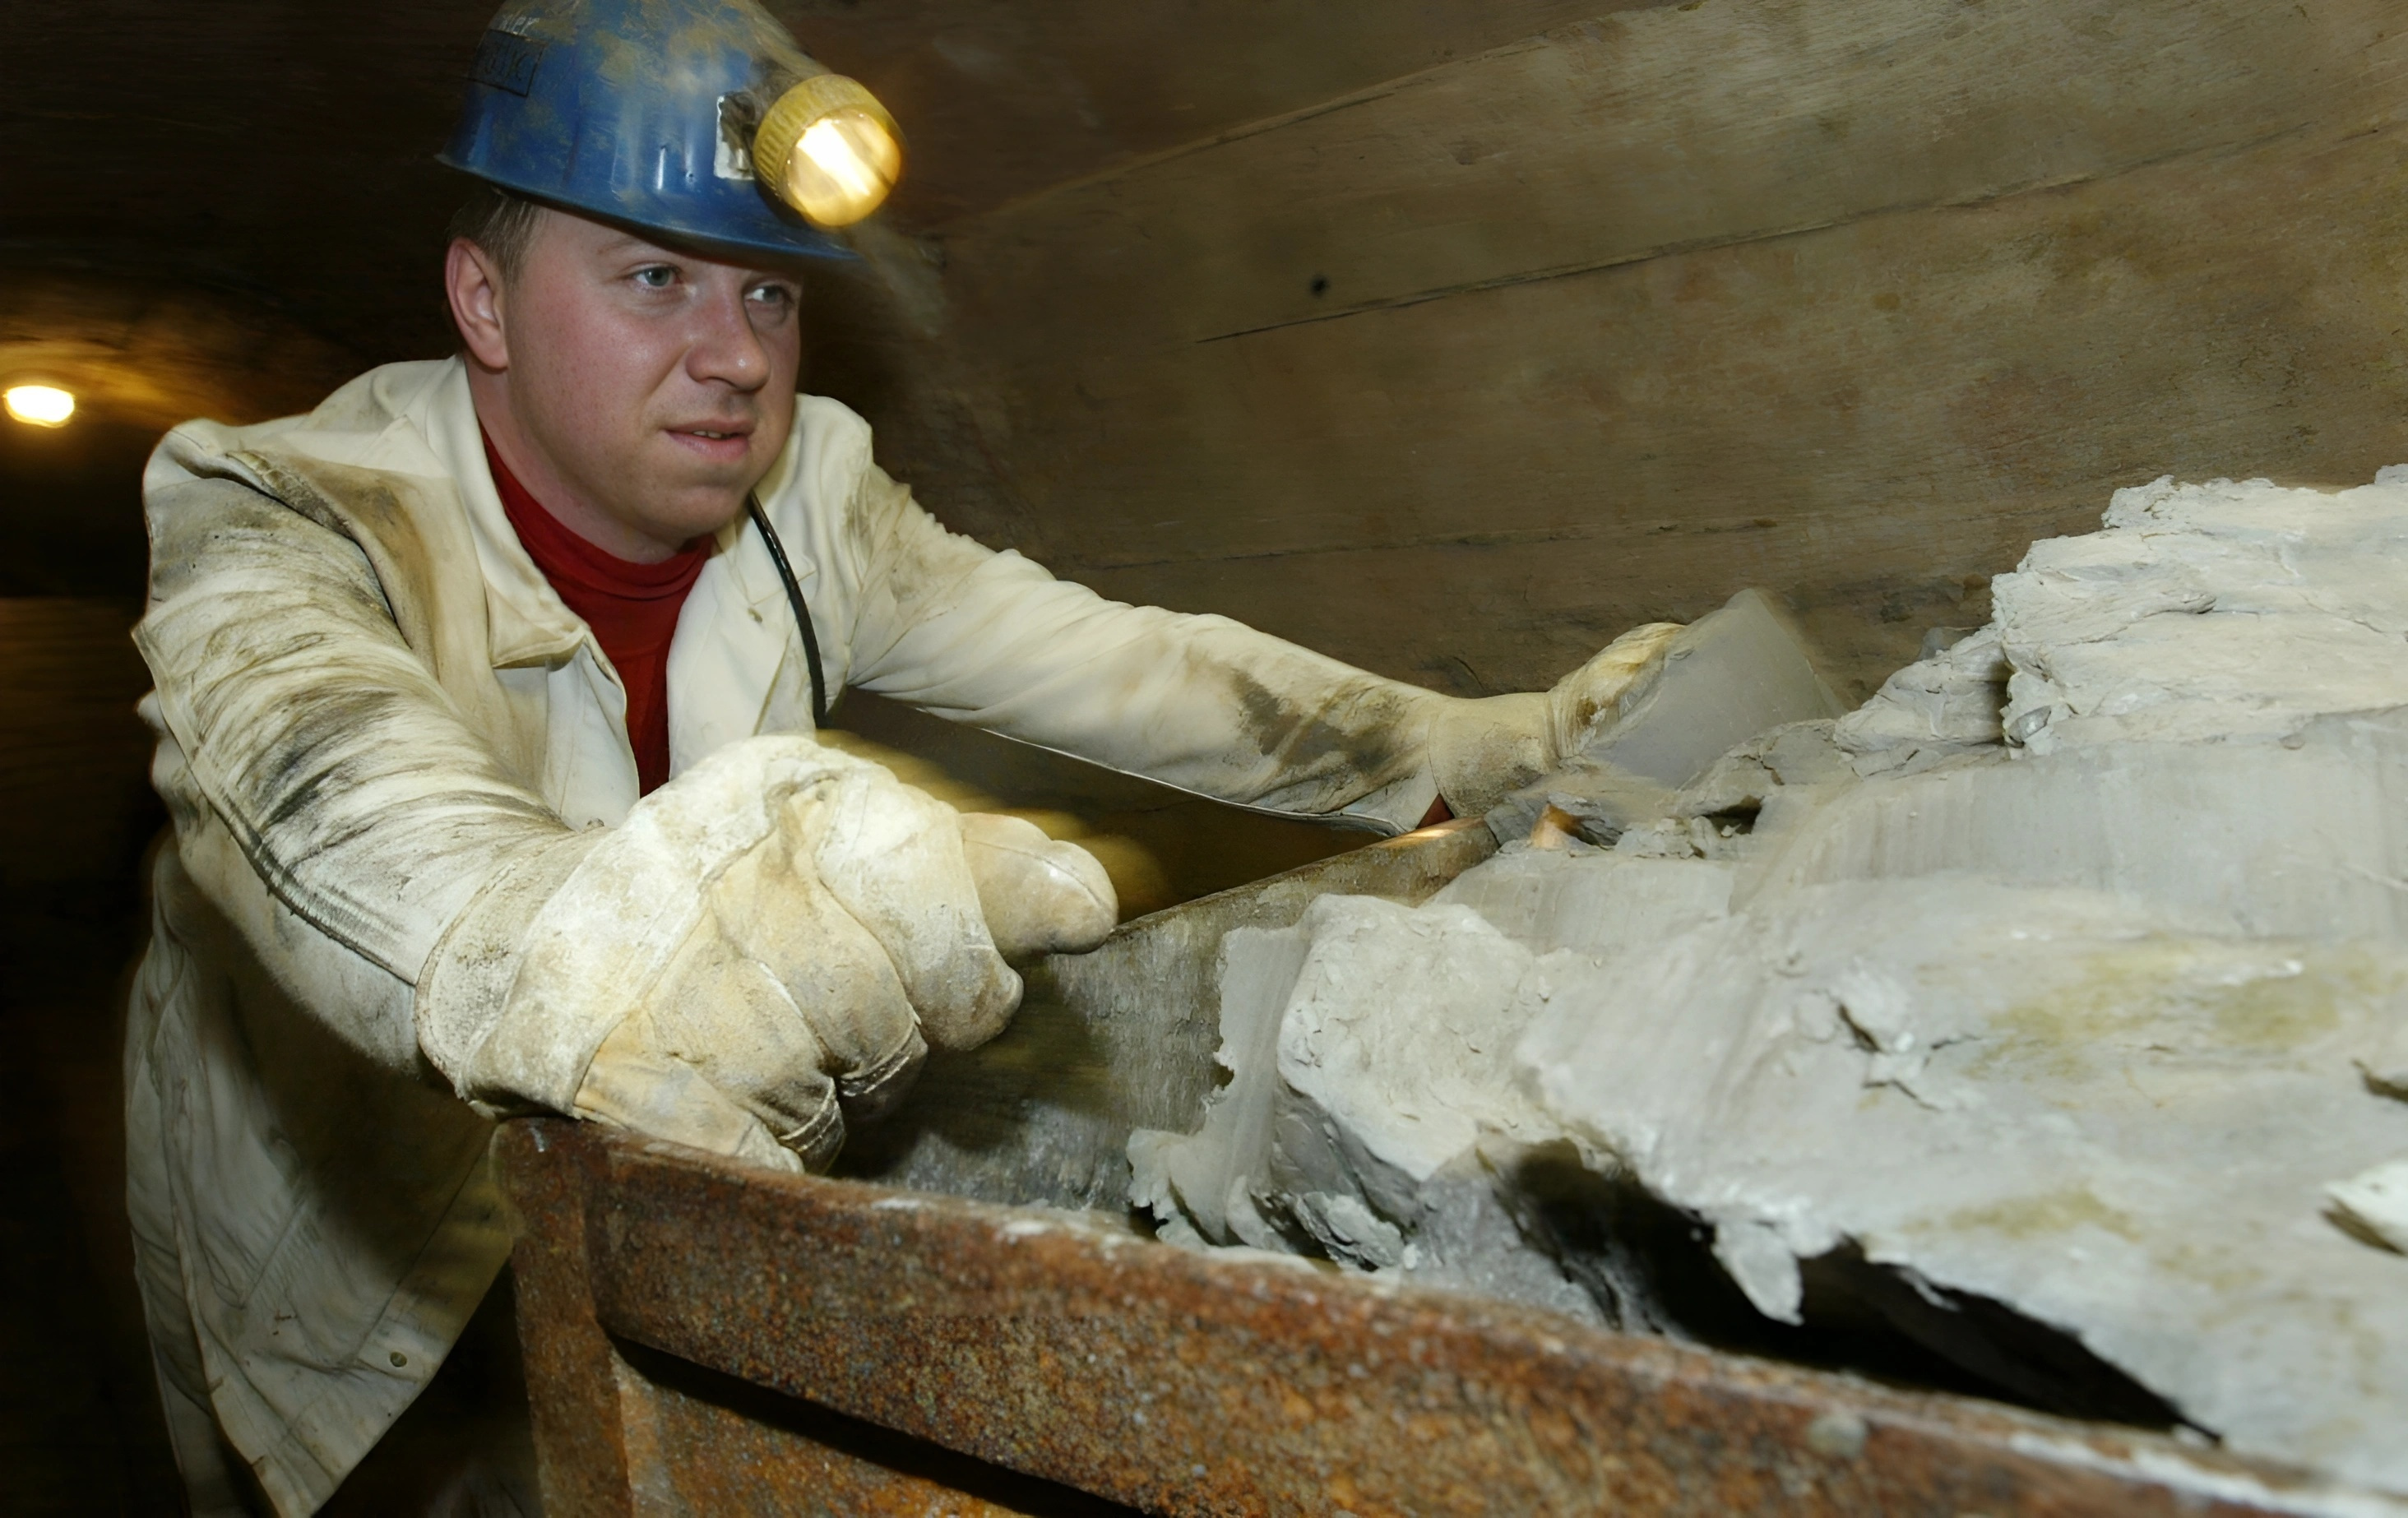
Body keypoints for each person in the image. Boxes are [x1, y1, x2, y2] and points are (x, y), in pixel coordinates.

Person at [122, 0, 1683, 1511]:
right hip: (354, 1249)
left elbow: (1125, 666)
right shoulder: (293, 509)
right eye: (656, 278)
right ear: (482, 302)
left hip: (641, 1177)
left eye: (770, 295)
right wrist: (571, 942)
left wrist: (1465, 741)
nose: (738, 356)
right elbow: (322, 774)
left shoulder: (816, 502)